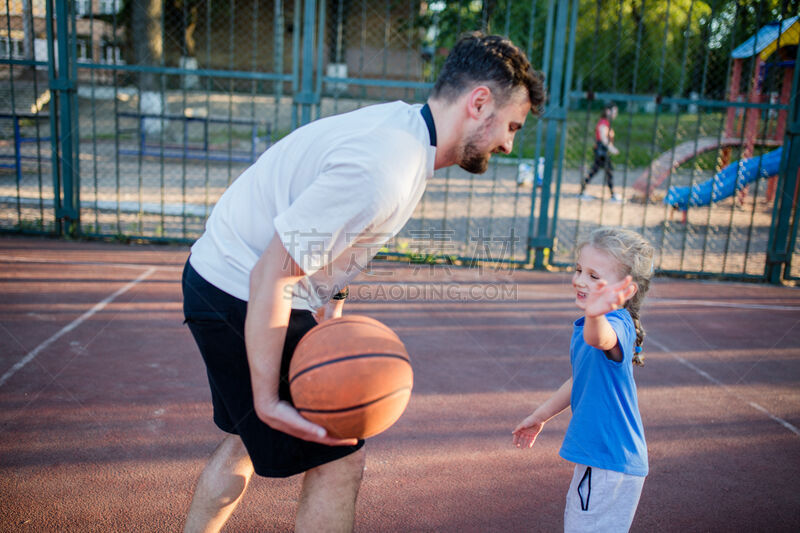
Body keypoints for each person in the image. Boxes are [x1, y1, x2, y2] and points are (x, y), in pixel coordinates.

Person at [182, 32, 545, 532]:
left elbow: (340, 236)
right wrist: (267, 399)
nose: (509, 142)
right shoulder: (385, 169)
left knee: (246, 439)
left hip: (225, 277)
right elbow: (274, 270)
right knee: (338, 455)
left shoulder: (404, 132)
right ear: (479, 102)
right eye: (511, 125)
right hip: (240, 288)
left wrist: (334, 299)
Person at [512, 227, 654, 532]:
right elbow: (581, 380)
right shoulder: (602, 322)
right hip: (607, 459)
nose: (580, 280)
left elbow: (600, 338)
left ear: (626, 291)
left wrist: (595, 314)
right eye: (579, 270)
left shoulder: (614, 325)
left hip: (608, 461)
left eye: (594, 276)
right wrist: (541, 416)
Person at [579, 104, 620, 201]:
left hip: (601, 151)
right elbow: (603, 139)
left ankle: (582, 190)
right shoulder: (603, 123)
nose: (615, 114)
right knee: (608, 171)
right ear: (607, 111)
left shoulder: (606, 123)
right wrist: (612, 148)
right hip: (602, 152)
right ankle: (613, 194)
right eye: (614, 112)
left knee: (595, 171)